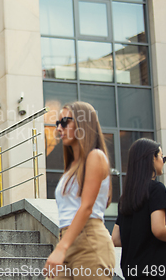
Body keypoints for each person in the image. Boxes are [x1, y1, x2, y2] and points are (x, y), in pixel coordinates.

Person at [44, 101, 115, 279]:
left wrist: (61, 248)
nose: (59, 128)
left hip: (90, 241)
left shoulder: (96, 156)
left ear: (83, 123)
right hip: (68, 238)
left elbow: (86, 207)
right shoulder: (72, 167)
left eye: (65, 122)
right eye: (57, 124)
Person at [111, 138, 166, 279]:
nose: (163, 161)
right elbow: (159, 229)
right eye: (162, 157)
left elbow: (116, 239)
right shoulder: (156, 189)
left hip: (130, 272)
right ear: (152, 159)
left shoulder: (126, 197)